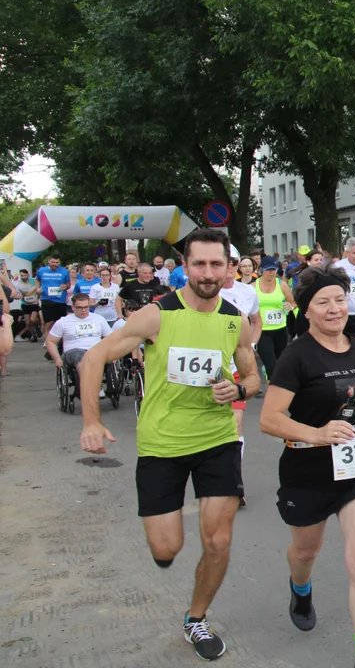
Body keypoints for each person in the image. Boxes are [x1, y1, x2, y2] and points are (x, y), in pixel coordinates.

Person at [78, 229, 261, 661]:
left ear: (229, 268)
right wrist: (91, 419)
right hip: (162, 444)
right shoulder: (157, 315)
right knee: (167, 548)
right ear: (185, 267)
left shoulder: (234, 319)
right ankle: (166, 550)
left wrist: (237, 391)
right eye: (199, 264)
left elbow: (252, 376)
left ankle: (196, 619)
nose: (208, 272)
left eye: (217, 264)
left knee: (217, 542)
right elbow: (93, 358)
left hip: (217, 439)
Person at [259, 265, 355, 668]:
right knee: (306, 550)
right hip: (307, 471)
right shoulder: (295, 357)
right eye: (323, 302)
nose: (334, 309)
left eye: (340, 300)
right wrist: (318, 433)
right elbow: (270, 419)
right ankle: (301, 587)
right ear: (305, 310)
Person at [219, 246, 263, 503]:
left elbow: (256, 320)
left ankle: (234, 482)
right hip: (208, 371)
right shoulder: (203, 291)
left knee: (235, 424)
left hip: (237, 370)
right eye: (226, 261)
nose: (230, 266)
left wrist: (252, 345)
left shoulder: (247, 291)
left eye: (234, 261)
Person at [47, 292, 114, 398]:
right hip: (73, 352)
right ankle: (91, 386)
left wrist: (113, 353)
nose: (83, 310)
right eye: (79, 308)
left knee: (96, 353)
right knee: (81, 355)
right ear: (73, 307)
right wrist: (57, 359)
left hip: (95, 350)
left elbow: (111, 338)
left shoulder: (99, 319)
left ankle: (96, 385)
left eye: (86, 307)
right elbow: (50, 341)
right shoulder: (63, 322)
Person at [256, 256, 296, 380]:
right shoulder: (253, 286)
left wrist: (290, 306)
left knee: (280, 362)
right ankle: (274, 390)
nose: (271, 272)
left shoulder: (282, 285)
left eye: (273, 269)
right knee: (272, 366)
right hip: (263, 331)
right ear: (261, 270)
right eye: (268, 270)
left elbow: (293, 303)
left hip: (281, 329)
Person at [36, 253, 71, 348]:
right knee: (48, 323)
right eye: (53, 262)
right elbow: (37, 280)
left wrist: (65, 286)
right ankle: (49, 344)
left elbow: (68, 284)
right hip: (46, 299)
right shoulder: (41, 271)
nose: (54, 264)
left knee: (60, 323)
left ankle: (60, 344)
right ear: (49, 261)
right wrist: (37, 288)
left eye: (57, 262)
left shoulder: (64, 271)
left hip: (60, 300)